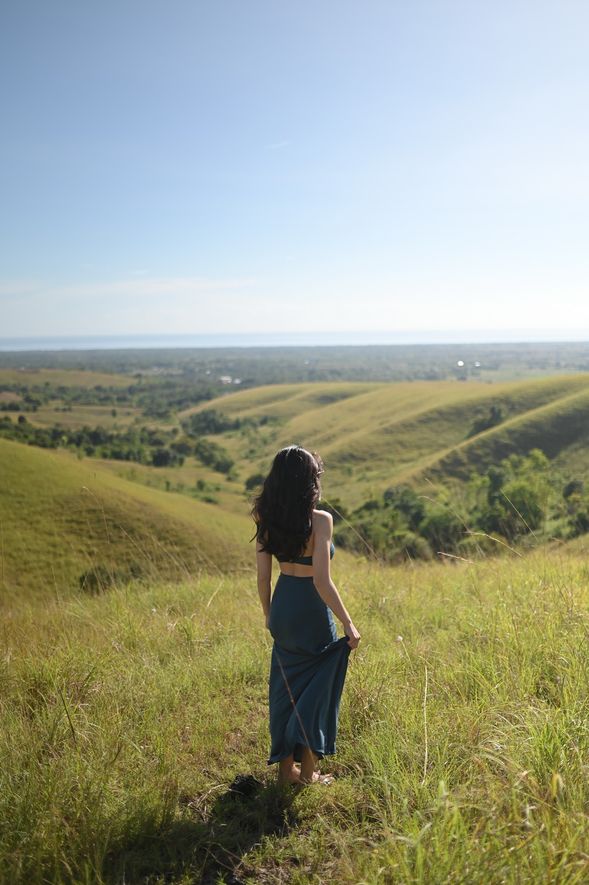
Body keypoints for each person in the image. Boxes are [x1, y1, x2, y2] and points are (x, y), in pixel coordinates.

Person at [252, 445, 361, 786]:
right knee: (319, 687)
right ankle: (309, 775)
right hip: (312, 609)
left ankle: (286, 772)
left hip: (283, 605)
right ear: (309, 481)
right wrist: (347, 622)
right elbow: (321, 580)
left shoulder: (265, 517)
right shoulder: (320, 520)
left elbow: (262, 577)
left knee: (285, 688)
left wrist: (270, 615)